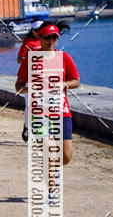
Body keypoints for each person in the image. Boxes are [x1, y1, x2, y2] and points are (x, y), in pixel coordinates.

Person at [15, 22, 79, 165]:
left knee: (66, 157)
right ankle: (51, 184)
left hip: (61, 112)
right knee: (49, 149)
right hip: (38, 112)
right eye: (47, 38)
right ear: (40, 38)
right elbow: (18, 86)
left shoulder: (64, 58)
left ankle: (53, 169)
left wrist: (64, 84)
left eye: (54, 38)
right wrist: (28, 89)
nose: (51, 41)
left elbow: (76, 81)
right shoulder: (30, 60)